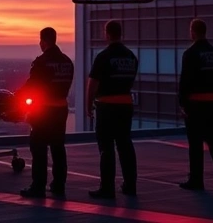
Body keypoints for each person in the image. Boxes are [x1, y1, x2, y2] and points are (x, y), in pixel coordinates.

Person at [19, 27, 74, 199]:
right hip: (61, 109)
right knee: (58, 148)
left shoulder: (41, 62)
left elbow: (32, 85)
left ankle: (38, 186)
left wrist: (16, 97)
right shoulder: (67, 62)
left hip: (43, 111)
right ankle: (59, 184)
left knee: (39, 148)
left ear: (43, 41)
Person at [86, 20, 139, 199]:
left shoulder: (103, 56)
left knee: (106, 147)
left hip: (106, 107)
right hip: (125, 105)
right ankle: (130, 185)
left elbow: (92, 84)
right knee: (125, 145)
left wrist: (88, 105)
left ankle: (107, 187)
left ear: (107, 34)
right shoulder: (131, 57)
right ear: (120, 34)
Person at [177, 19, 213, 191]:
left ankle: (196, 179)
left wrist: (182, 103)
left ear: (192, 31)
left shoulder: (190, 53)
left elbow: (185, 81)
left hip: (196, 102)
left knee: (195, 142)